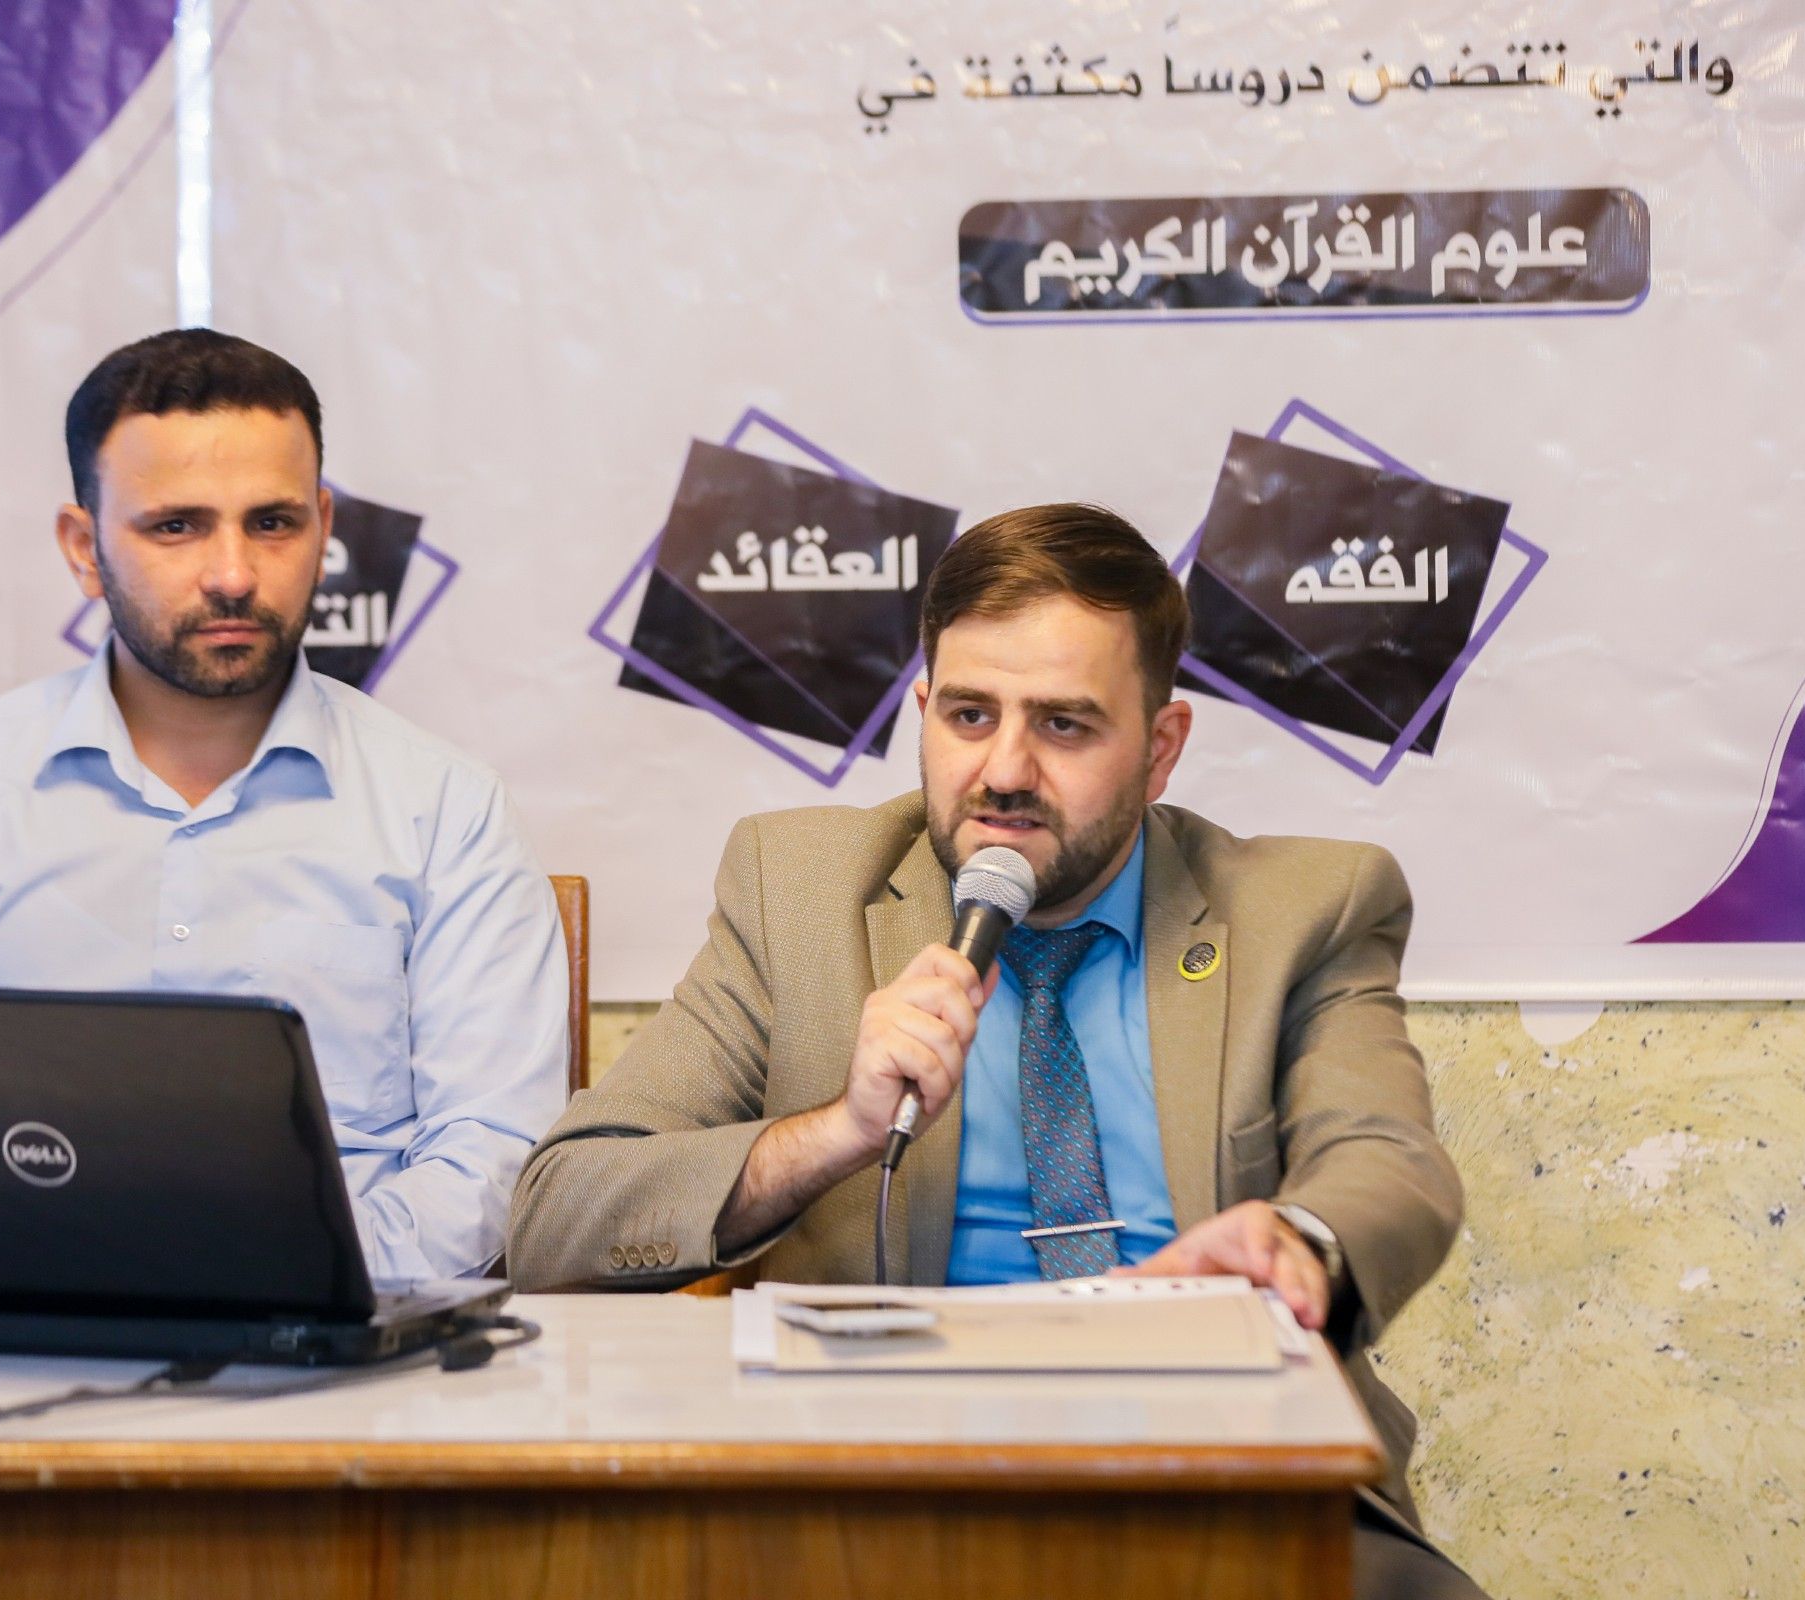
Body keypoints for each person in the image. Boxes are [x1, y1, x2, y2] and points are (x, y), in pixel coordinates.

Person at [507, 504, 1483, 1597]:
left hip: (1225, 1472)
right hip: (883, 1495)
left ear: (1160, 748)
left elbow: (1388, 1159)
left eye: (1065, 725)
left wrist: (1299, 1240)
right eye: (970, 715)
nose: (1005, 771)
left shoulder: (1305, 906)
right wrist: (833, 1133)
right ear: (923, 712)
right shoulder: (798, 890)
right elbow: (558, 1215)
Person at [0, 327, 569, 1282]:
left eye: (273, 522)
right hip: (19, 1336)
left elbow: (496, 1156)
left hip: (345, 1341)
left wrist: (283, 1272)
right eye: (176, 527)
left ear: (324, 528)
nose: (233, 575)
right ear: (83, 549)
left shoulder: (446, 808)